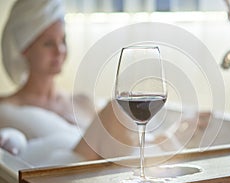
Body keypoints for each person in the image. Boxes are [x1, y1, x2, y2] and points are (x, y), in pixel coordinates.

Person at [0, 0, 209, 167]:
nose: (60, 50)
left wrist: (175, 131)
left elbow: (121, 143)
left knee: (118, 113)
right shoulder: (6, 108)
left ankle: (164, 157)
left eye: (62, 40)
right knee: (115, 110)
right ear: (24, 49)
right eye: (48, 43)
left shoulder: (81, 101)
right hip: (65, 176)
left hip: (106, 172)